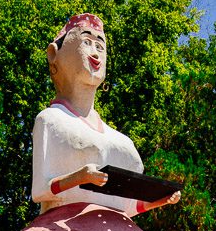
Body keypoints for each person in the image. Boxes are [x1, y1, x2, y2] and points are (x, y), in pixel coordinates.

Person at [31, 13, 181, 217]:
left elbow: (126, 208)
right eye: (86, 42)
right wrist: (79, 177)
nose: (95, 54)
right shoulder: (50, 120)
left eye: (100, 47)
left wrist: (157, 200)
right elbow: (39, 191)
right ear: (53, 53)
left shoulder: (121, 139)